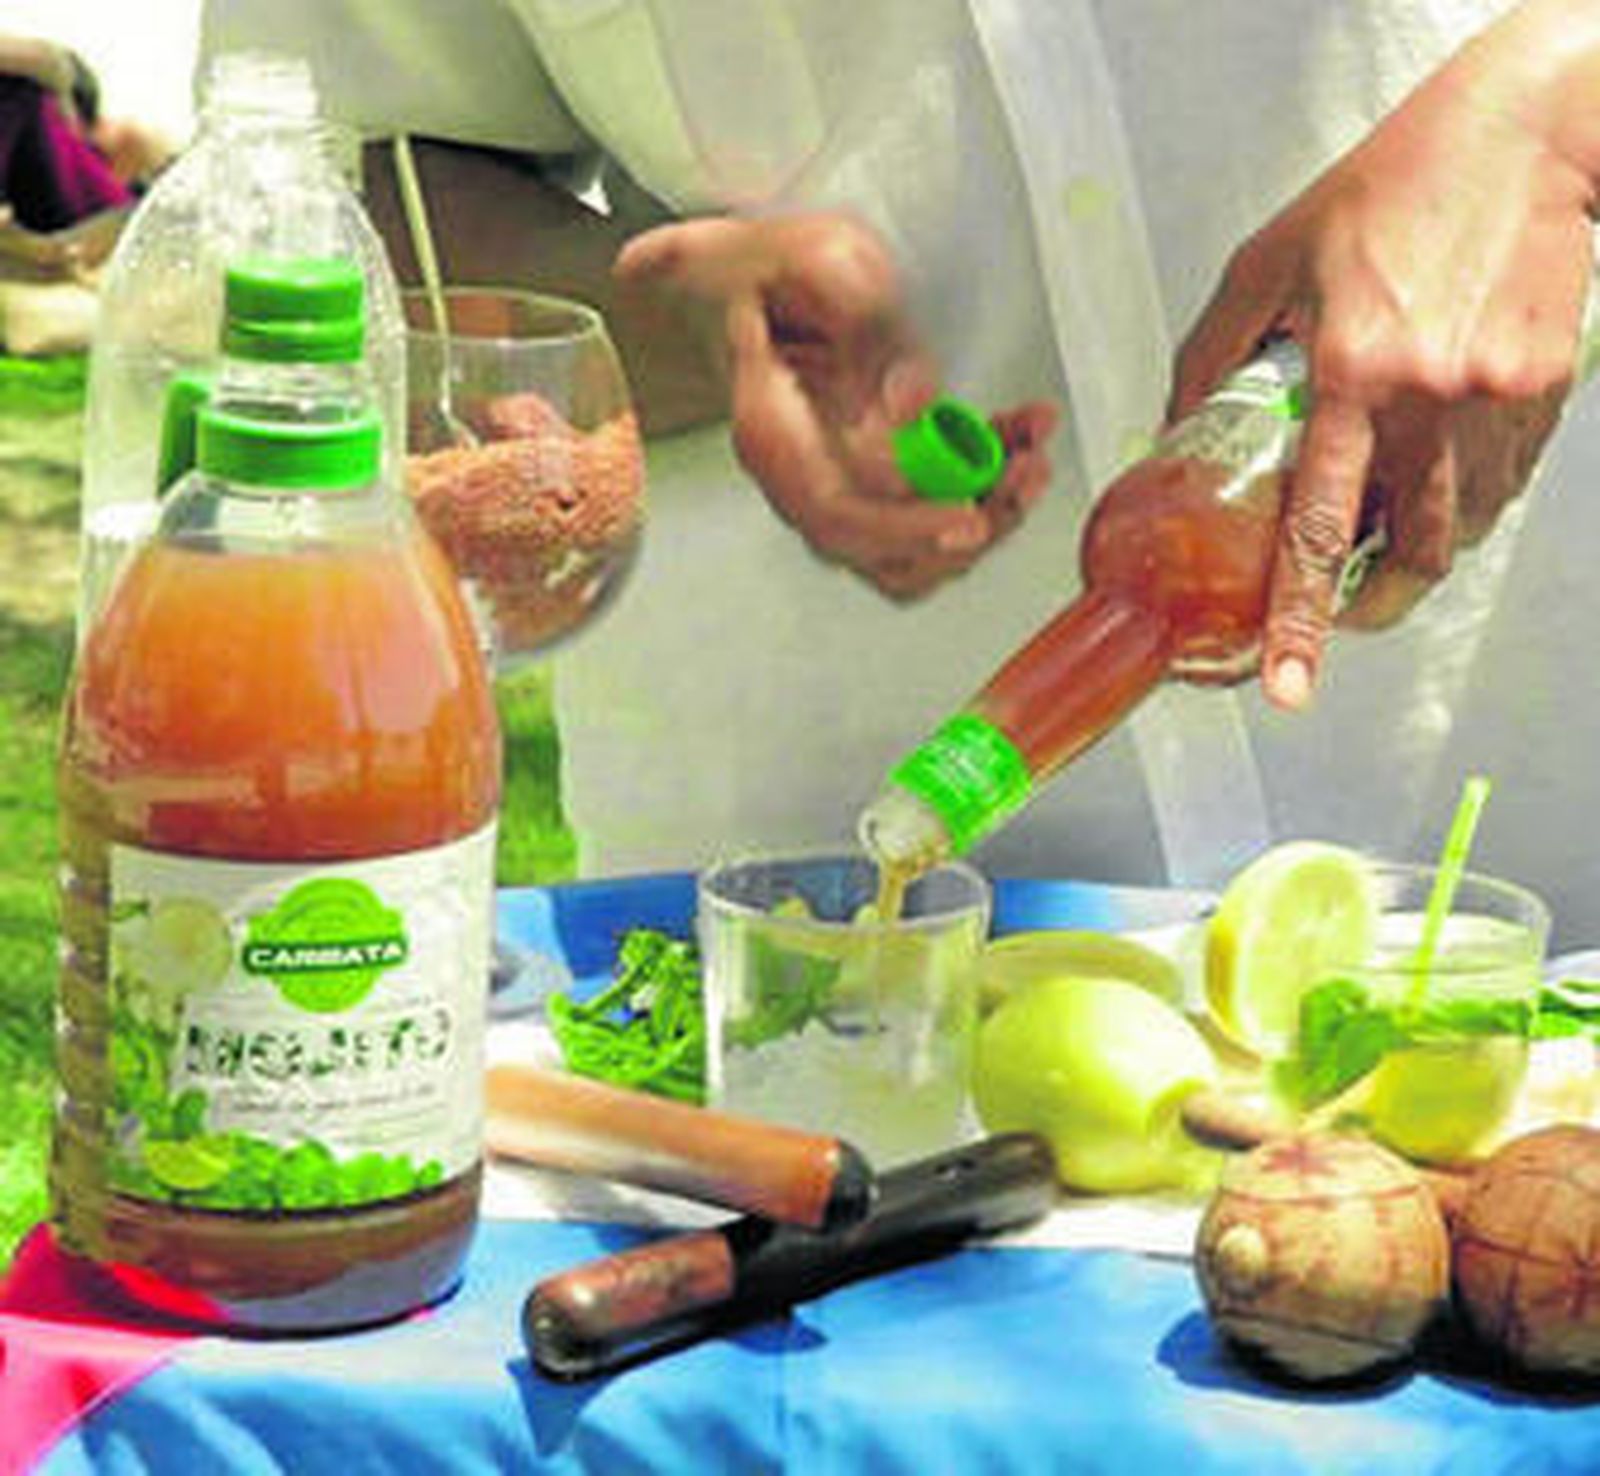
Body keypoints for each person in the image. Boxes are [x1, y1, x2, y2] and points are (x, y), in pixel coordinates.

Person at [197, 0, 1600, 944]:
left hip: (1523, 874)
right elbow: (320, 179)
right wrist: (698, 324)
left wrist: (1550, 128)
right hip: (809, 940)